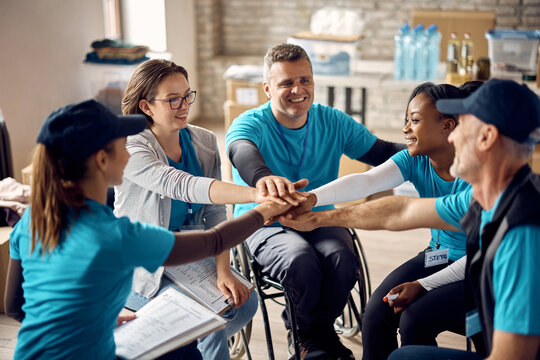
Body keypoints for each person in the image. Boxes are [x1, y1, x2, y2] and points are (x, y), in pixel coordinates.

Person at [3, 99, 290, 360]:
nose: (129, 152)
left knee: (184, 350)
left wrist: (94, 319)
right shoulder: (114, 236)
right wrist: (263, 209)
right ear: (102, 159)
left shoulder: (31, 221)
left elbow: (16, 306)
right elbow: (214, 241)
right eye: (122, 144)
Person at [280, 79, 540, 360]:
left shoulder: (522, 232)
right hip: (443, 261)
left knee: (411, 334)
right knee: (381, 314)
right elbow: (399, 211)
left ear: (486, 137)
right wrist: (316, 212)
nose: (453, 135)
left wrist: (424, 285)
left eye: (462, 126)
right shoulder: (483, 199)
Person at [115, 59, 306, 360]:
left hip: (192, 254)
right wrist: (258, 194)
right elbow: (180, 184)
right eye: (172, 99)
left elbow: (215, 213)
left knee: (245, 303)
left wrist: (223, 270)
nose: (184, 105)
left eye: (187, 95)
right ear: (146, 106)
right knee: (210, 323)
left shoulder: (202, 140)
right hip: (144, 264)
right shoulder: (132, 146)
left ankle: (188, 349)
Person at [225, 43, 405, 359]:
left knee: (341, 260)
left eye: (305, 80)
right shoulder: (250, 122)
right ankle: (309, 339)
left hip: (319, 217)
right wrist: (263, 177)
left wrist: (428, 149)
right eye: (287, 83)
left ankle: (315, 335)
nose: (298, 90)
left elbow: (380, 153)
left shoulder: (332, 121)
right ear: (268, 89)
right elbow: (242, 152)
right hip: (266, 221)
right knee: (300, 261)